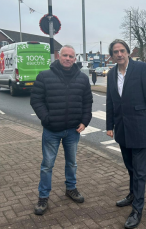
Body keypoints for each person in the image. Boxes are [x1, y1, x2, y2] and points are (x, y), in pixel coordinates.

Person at [30, 45, 93, 215]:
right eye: (65, 55)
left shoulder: (82, 78)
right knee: (47, 165)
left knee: (72, 163)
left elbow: (87, 102)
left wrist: (85, 121)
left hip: (73, 130)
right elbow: (36, 100)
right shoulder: (45, 76)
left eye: (71, 56)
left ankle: (70, 188)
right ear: (59, 56)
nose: (68, 58)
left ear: (75, 59)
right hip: (52, 130)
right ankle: (43, 197)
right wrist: (46, 118)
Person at [106, 40, 146, 229]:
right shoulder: (111, 73)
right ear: (112, 56)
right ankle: (132, 195)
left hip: (139, 126)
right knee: (130, 167)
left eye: (122, 51)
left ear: (128, 52)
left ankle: (137, 209)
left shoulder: (141, 68)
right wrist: (109, 124)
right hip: (121, 128)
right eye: (115, 52)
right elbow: (111, 101)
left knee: (139, 171)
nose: (119, 54)